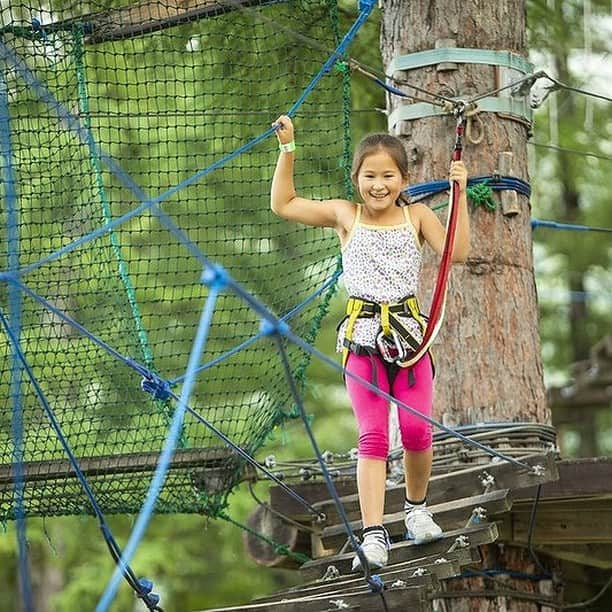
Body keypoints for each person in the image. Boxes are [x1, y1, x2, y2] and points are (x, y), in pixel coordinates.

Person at [270, 115, 470, 572]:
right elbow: (285, 204)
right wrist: (288, 150)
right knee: (374, 437)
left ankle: (417, 509)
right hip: (362, 341)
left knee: (418, 431)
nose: (378, 186)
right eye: (369, 176)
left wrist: (461, 195)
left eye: (388, 176)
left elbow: (456, 252)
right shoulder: (346, 214)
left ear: (403, 179)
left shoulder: (417, 215)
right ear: (357, 177)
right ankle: (374, 531)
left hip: (409, 339)